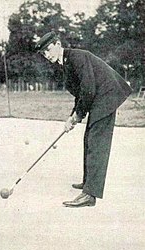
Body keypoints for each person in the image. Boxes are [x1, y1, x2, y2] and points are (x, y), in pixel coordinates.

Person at [35, 31, 132, 208]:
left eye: (48, 49)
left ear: (58, 44)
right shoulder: (65, 63)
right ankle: (89, 183)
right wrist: (73, 116)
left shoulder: (77, 57)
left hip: (108, 95)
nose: (47, 55)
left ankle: (90, 194)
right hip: (99, 96)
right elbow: (81, 93)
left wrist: (77, 115)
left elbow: (88, 89)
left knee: (97, 142)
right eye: (44, 53)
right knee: (89, 139)